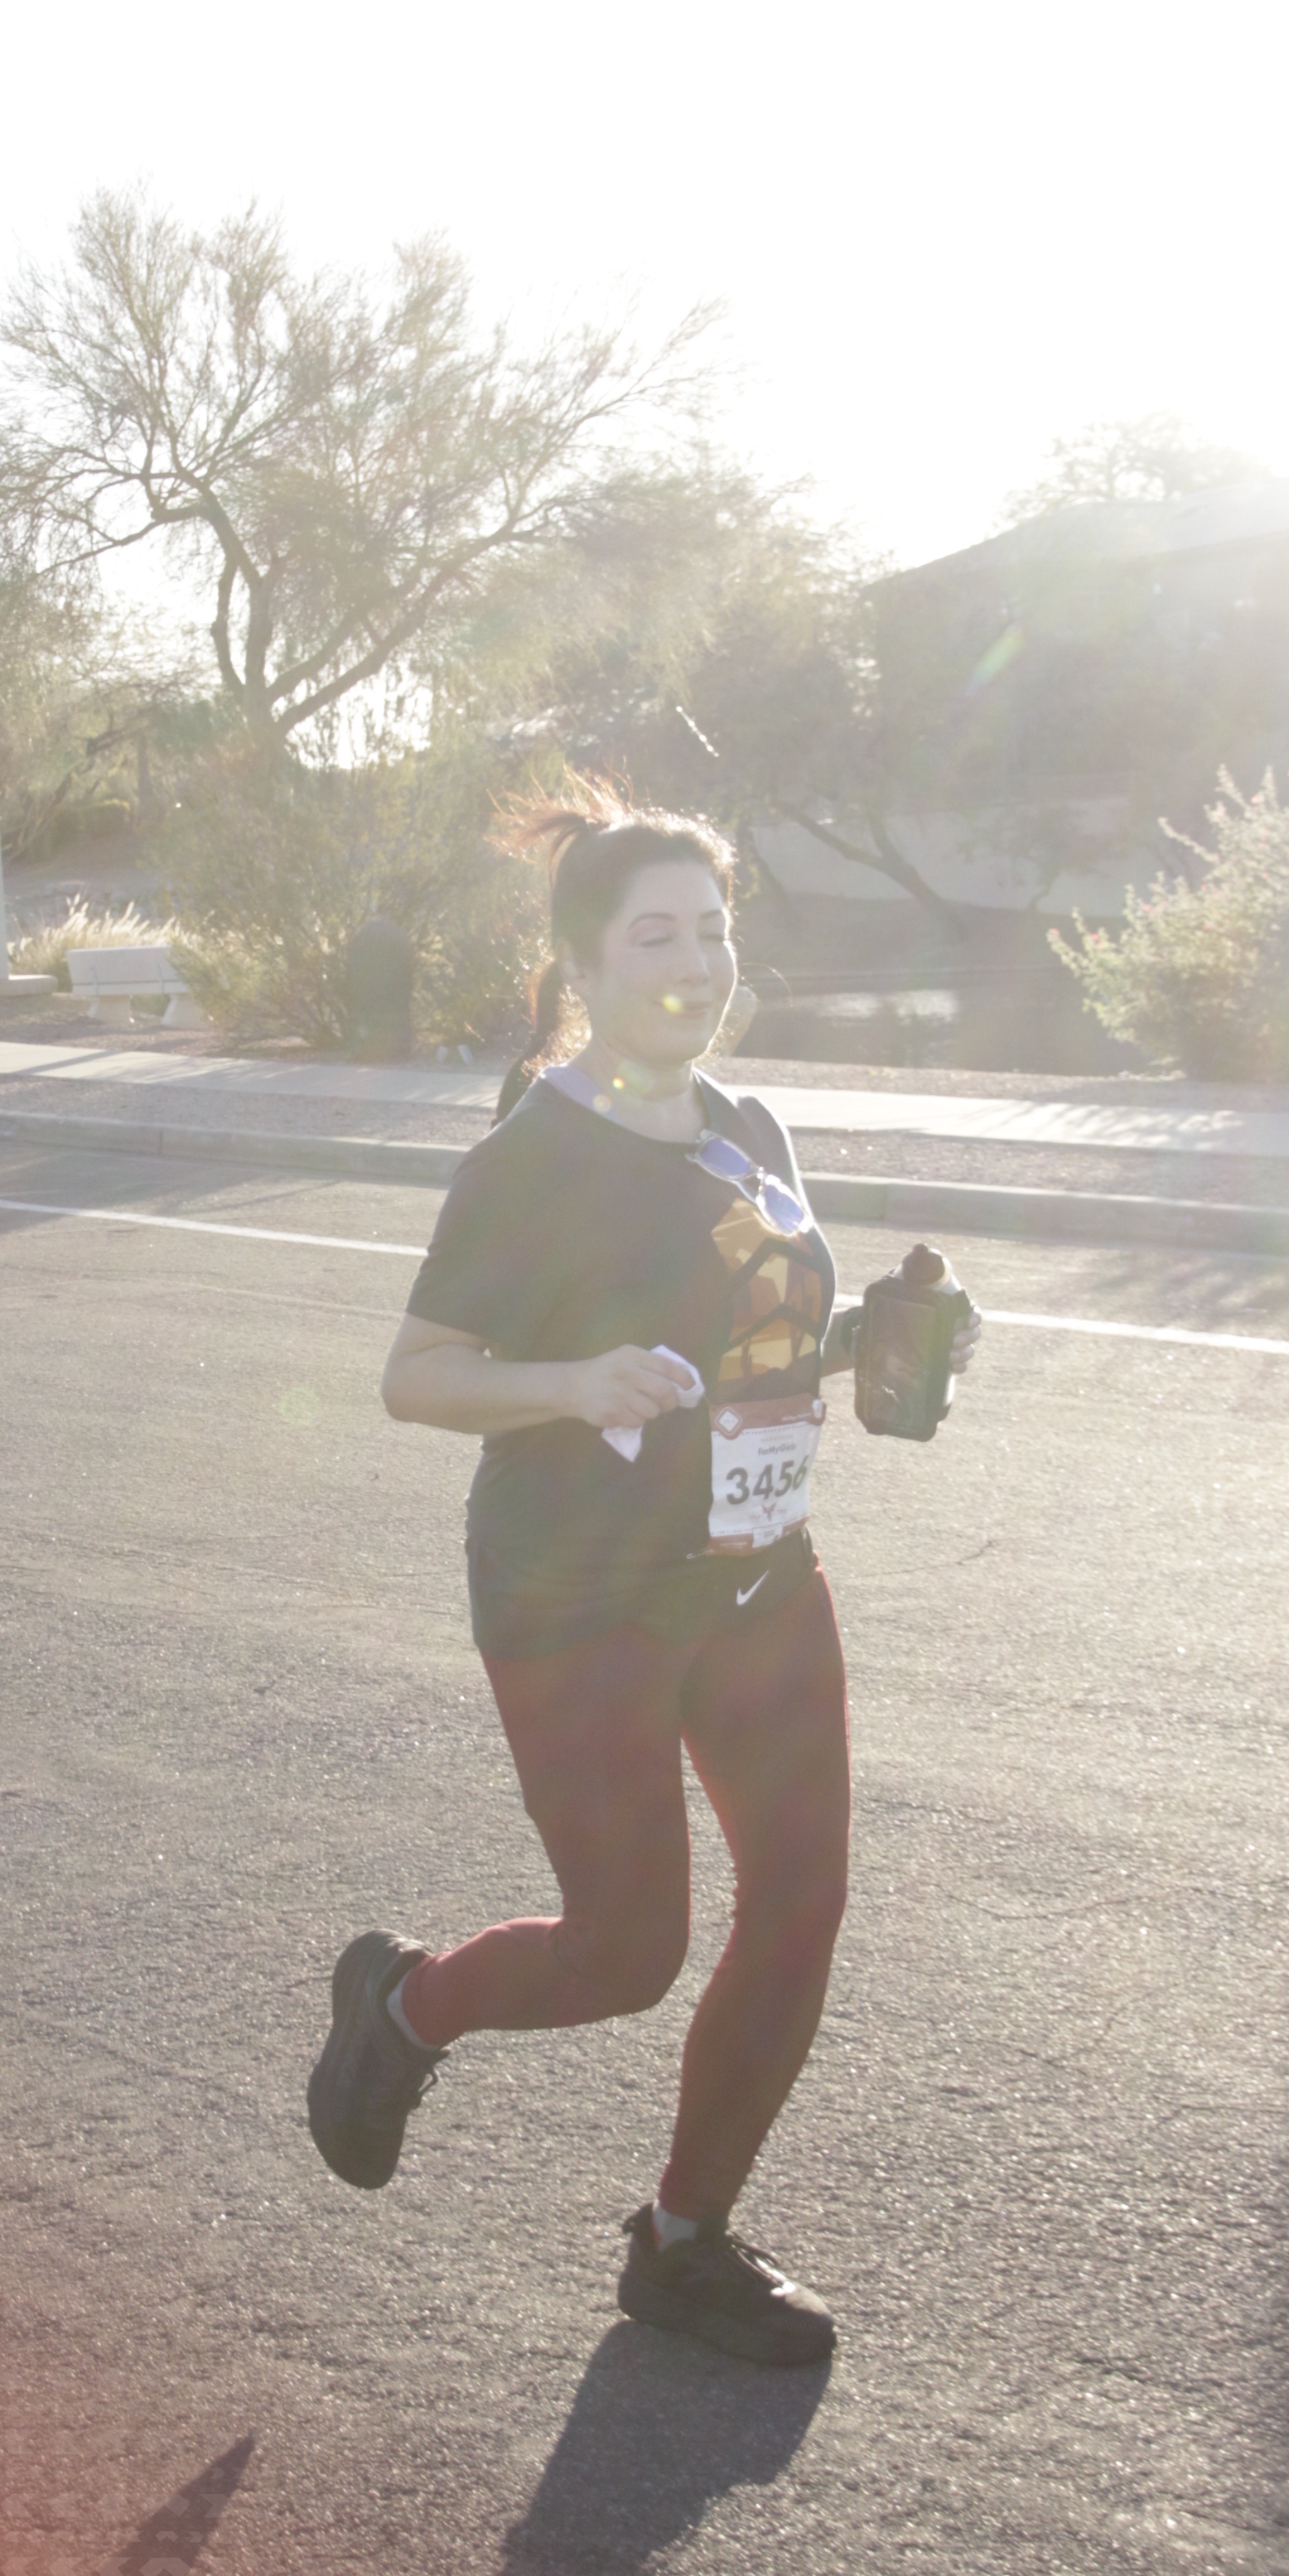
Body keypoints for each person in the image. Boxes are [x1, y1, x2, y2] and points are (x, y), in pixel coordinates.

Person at [305, 790, 980, 2363]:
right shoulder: (532, 1156)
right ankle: (403, 2009)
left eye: (713, 931)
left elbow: (738, 1341)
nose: (694, 963)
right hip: (581, 1591)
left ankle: (684, 2244)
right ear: (588, 967)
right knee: (626, 1953)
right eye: (656, 936)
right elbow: (417, 1376)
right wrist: (573, 1380)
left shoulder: (752, 1128)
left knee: (801, 1905)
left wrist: (867, 1346)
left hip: (755, 1571)